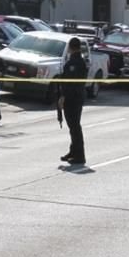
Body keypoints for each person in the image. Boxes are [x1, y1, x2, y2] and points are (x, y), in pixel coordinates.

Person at [57, 36, 88, 165]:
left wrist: (63, 97)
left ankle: (79, 156)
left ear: (70, 47)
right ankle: (74, 152)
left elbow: (70, 83)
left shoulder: (75, 63)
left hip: (73, 99)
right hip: (76, 97)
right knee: (73, 127)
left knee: (74, 127)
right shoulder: (78, 61)